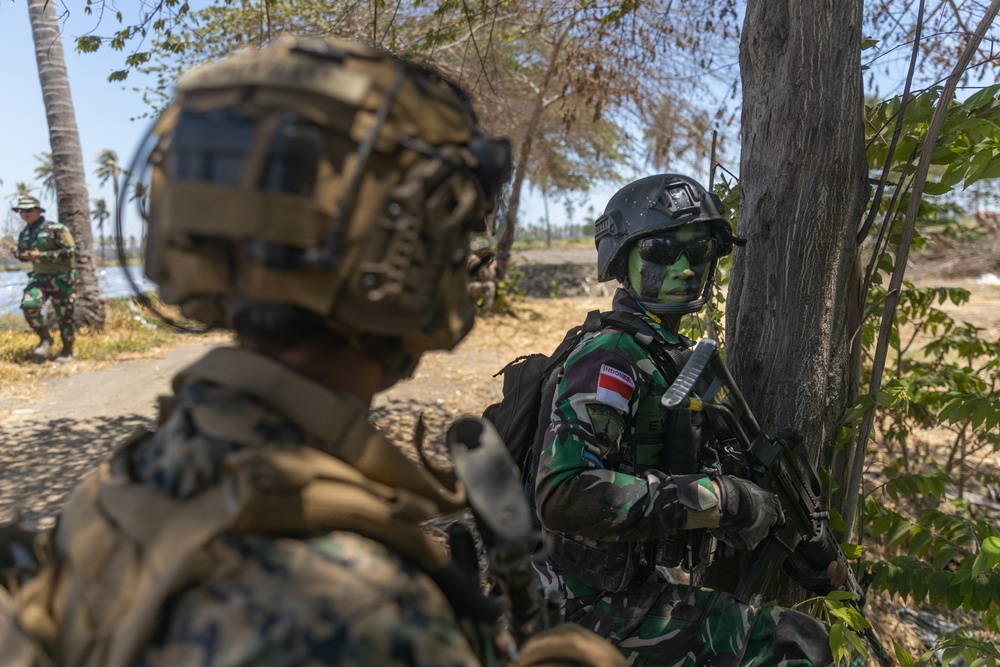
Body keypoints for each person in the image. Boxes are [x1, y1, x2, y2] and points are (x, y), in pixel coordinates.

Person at [0, 37, 624, 667]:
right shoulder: (360, 611)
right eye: (458, 225)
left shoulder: (136, 475)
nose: (472, 258)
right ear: (399, 261)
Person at [530, 174, 835, 666]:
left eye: (699, 252)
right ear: (621, 262)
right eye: (659, 250)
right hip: (576, 602)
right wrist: (719, 500)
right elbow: (561, 494)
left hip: (626, 587)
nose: (683, 269)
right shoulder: (612, 356)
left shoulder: (667, 354)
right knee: (798, 645)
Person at [9, 195, 76, 360]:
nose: (25, 214)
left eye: (29, 210)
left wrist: (41, 255)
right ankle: (45, 338)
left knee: (64, 315)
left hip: (62, 278)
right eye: (21, 211)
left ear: (39, 210)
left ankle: (67, 349)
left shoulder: (56, 228)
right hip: (40, 278)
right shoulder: (25, 233)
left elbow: (70, 252)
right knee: (29, 305)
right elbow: (25, 254)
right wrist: (18, 253)